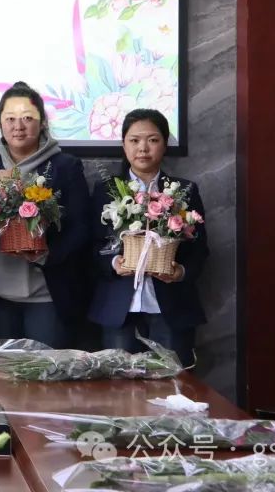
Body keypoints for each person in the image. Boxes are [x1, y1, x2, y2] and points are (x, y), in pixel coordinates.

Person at [0, 81, 91, 348]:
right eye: (10, 118)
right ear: (0, 123)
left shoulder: (65, 166)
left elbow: (81, 228)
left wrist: (46, 255)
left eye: (27, 118)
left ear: (42, 123)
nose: (18, 126)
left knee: (45, 370)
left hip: (47, 295)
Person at [88, 108, 208, 366]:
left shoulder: (185, 190)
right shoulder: (105, 191)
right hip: (119, 308)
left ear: (164, 144)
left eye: (152, 140)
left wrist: (181, 272)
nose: (143, 148)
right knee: (120, 385)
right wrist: (113, 263)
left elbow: (200, 249)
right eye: (134, 140)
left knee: (174, 382)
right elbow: (93, 244)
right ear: (124, 145)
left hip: (171, 307)